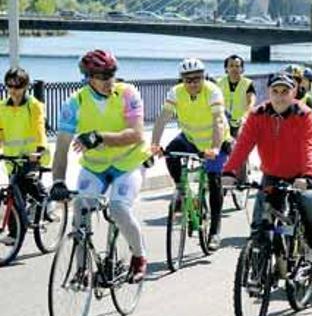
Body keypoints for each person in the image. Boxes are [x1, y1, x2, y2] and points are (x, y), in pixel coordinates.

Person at [50, 50, 152, 282]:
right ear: (88, 78)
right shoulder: (74, 103)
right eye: (102, 76)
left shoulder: (128, 93)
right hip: (95, 167)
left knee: (118, 208)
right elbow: (62, 147)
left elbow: (136, 134)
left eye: (112, 74)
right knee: (81, 208)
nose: (109, 81)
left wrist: (100, 137)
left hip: (129, 163)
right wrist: (58, 181)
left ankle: (139, 256)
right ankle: (82, 269)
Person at [221, 72, 312, 261]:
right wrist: (229, 171)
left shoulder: (305, 115)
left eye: (285, 91)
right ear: (268, 92)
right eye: (275, 91)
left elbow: (310, 147)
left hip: (302, 174)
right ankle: (257, 267)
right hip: (273, 174)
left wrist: (308, 176)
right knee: (260, 221)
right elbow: (243, 145)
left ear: (293, 93)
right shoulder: (257, 114)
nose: (280, 96)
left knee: (308, 201)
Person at [151, 58, 231, 251]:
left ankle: (214, 232)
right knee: (171, 153)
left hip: (217, 141)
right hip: (191, 139)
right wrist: (154, 144)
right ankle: (181, 188)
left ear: (204, 77)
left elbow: (219, 121)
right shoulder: (176, 93)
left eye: (197, 78)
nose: (193, 83)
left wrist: (214, 148)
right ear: (181, 80)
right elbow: (162, 118)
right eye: (188, 80)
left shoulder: (212, 91)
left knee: (214, 180)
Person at [0, 67, 51, 244]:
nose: (13, 90)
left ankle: (47, 202)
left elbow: (39, 129)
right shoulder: (2, 107)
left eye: (17, 86)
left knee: (29, 186)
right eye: (9, 86)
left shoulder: (34, 106)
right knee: (14, 195)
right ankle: (15, 234)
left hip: (31, 157)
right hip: (11, 159)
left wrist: (39, 150)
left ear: (26, 86)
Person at [217, 55, 256, 138]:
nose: (234, 69)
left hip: (240, 123)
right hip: (223, 122)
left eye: (237, 66)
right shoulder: (219, 83)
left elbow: (251, 102)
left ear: (242, 69)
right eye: (231, 66)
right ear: (226, 69)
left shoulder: (247, 83)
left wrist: (245, 117)